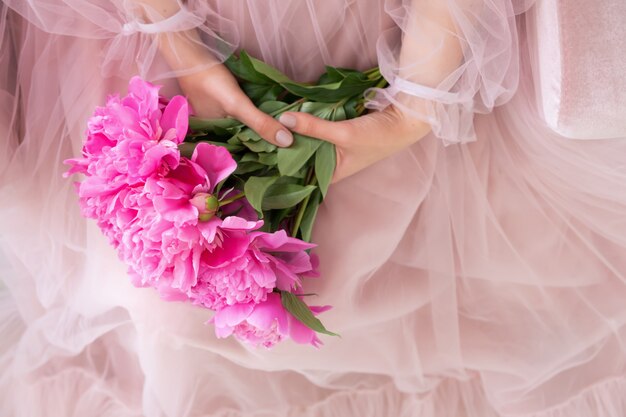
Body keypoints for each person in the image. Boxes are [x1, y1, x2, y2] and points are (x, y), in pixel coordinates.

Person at [1, 1, 625, 416]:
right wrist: (177, 45)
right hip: (164, 30)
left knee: (369, 257)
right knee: (169, 292)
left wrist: (415, 109)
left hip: (368, 35)